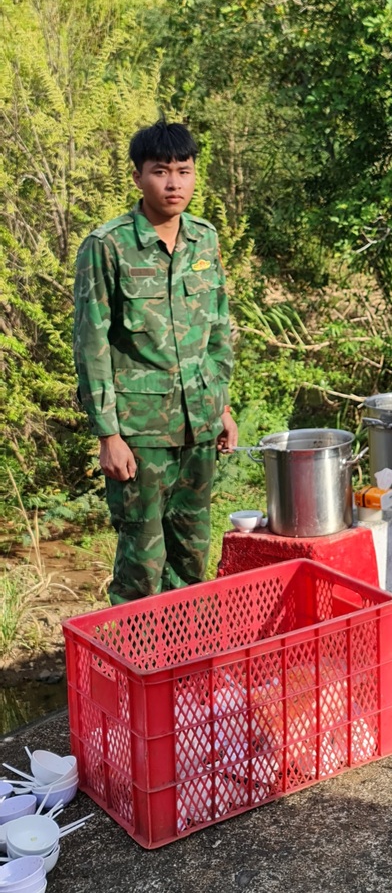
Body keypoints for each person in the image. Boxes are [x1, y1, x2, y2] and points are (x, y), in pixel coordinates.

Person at [73, 120, 237, 605]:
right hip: (140, 433)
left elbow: (217, 329)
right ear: (137, 176)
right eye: (160, 171)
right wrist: (108, 434)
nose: (173, 184)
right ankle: (134, 671)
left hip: (198, 427)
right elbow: (92, 344)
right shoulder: (107, 246)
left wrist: (220, 408)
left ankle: (185, 669)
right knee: (142, 564)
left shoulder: (204, 241)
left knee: (192, 555)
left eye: (184, 172)